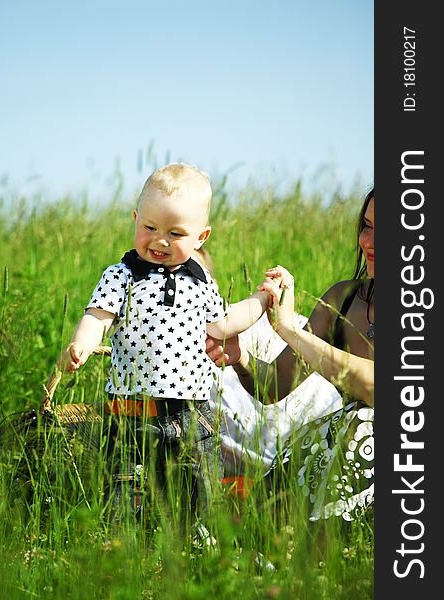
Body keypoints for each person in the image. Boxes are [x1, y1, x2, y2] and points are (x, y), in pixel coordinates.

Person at [59, 162, 271, 525]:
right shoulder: (121, 275)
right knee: (123, 492)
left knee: (196, 493)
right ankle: (123, 551)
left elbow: (223, 324)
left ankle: (193, 546)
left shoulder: (200, 281)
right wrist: (80, 343)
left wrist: (262, 299)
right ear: (135, 218)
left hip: (190, 412)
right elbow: (98, 316)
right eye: (150, 227)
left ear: (200, 238)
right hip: (130, 411)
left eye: (175, 233)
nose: (159, 240)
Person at [206, 187, 374, 520]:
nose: (368, 241)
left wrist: (291, 331)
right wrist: (239, 359)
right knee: (265, 509)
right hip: (336, 445)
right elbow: (273, 388)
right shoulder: (344, 298)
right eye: (366, 226)